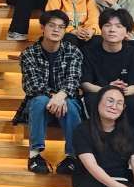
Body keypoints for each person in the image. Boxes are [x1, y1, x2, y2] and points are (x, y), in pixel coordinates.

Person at [14, 10, 83, 175]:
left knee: (71, 105)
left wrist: (61, 96)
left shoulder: (73, 52)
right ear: (42, 28)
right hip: (39, 103)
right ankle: (34, 155)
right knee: (40, 101)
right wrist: (55, 97)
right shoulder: (29, 54)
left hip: (67, 101)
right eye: (52, 25)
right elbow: (32, 85)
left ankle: (72, 157)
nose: (56, 30)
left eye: (61, 27)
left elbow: (73, 80)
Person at [81, 9, 134, 127]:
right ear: (101, 29)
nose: (112, 30)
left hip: (124, 94)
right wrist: (108, 89)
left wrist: (119, 92)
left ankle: (129, 136)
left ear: (127, 32)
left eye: (118, 26)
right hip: (98, 92)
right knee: (91, 100)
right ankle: (96, 135)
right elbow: (86, 84)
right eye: (107, 25)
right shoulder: (89, 51)